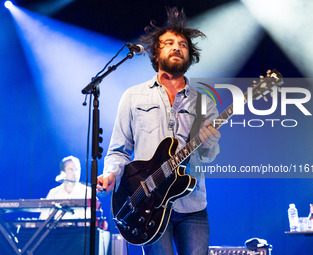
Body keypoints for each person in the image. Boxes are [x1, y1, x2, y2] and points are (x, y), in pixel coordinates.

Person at [97, 7, 221, 255]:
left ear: (190, 55)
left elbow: (209, 154)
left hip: (192, 204)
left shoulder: (203, 101)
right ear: (156, 52)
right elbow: (119, 150)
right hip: (147, 202)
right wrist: (111, 173)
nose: (177, 47)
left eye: (183, 44)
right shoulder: (133, 96)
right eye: (169, 43)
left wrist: (208, 142)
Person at [40, 155, 91, 220]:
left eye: (77, 169)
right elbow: (43, 218)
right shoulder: (53, 193)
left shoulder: (88, 192)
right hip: (57, 230)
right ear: (62, 172)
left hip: (80, 230)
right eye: (71, 169)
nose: (75, 173)